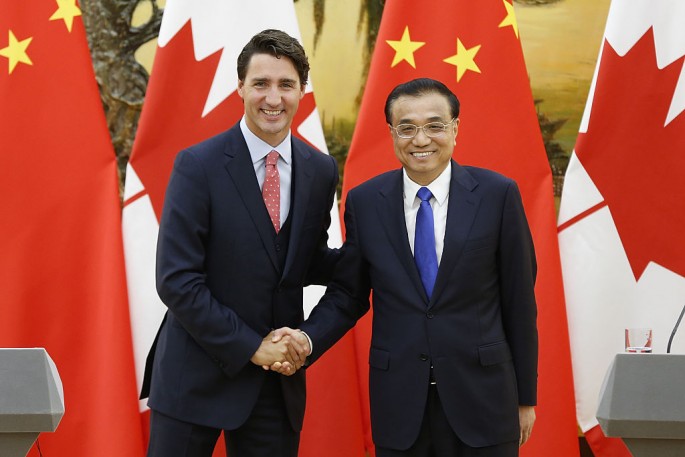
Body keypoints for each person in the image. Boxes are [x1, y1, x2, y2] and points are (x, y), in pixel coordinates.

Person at [282, 78, 538, 456]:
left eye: (435, 125)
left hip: (485, 399)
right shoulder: (366, 202)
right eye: (407, 128)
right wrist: (306, 339)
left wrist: (526, 399)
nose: (421, 140)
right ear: (391, 133)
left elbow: (519, 302)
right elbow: (349, 294)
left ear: (455, 129)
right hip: (400, 404)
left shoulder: (497, 195)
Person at [142, 29, 339, 457]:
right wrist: (253, 348)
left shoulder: (321, 171)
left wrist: (375, 255)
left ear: (303, 90)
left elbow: (305, 261)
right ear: (240, 87)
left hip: (275, 386)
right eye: (261, 83)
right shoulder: (197, 165)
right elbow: (177, 280)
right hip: (195, 376)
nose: (274, 98)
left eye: (286, 84)